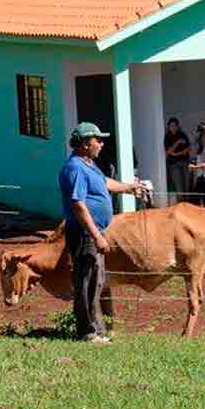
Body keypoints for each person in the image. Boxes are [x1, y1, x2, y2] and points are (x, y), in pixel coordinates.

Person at [58, 122, 147, 344]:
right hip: (84, 233)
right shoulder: (75, 168)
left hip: (93, 232)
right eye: (97, 140)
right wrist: (96, 236)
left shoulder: (89, 165)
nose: (101, 143)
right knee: (87, 281)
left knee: (96, 281)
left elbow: (103, 183)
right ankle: (88, 332)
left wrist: (129, 188)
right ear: (85, 144)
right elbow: (78, 204)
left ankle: (95, 331)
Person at [188, 122, 205, 209]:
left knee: (195, 197)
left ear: (202, 133)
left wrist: (195, 167)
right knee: (203, 197)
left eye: (198, 132)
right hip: (202, 176)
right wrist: (193, 161)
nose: (197, 135)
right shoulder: (202, 144)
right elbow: (200, 158)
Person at [163, 117, 191, 206]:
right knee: (178, 188)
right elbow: (168, 152)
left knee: (186, 186)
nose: (173, 127)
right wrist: (178, 142)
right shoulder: (167, 137)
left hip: (184, 163)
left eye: (175, 126)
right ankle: (181, 206)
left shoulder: (183, 134)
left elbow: (189, 148)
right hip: (174, 165)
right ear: (168, 127)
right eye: (171, 126)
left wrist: (177, 154)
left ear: (178, 126)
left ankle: (187, 206)